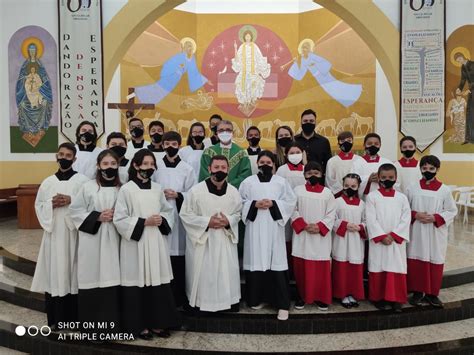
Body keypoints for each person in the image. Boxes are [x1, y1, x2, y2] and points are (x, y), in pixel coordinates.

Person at [113, 149, 180, 339]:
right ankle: (139, 325)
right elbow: (120, 218)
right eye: (145, 164)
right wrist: (143, 222)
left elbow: (168, 211)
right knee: (137, 283)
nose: (149, 168)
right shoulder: (127, 189)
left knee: (157, 282)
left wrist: (162, 219)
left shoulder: (158, 188)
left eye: (152, 165)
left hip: (155, 241)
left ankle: (158, 323)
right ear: (135, 166)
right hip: (136, 242)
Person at [31, 143, 89, 328]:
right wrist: (50, 204)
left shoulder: (83, 181)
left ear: (74, 158)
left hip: (74, 234)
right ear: (56, 156)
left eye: (68, 155)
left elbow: (89, 204)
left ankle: (74, 319)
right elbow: (39, 206)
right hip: (54, 234)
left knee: (73, 272)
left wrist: (72, 200)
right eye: (61, 154)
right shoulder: (48, 182)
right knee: (55, 273)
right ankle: (56, 320)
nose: (64, 157)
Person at [180, 155, 243, 312]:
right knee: (203, 274)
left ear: (228, 170)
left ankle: (227, 302)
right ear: (209, 169)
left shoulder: (233, 192)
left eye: (223, 168)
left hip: (224, 238)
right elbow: (186, 215)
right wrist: (207, 222)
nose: (219, 171)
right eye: (216, 167)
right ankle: (201, 303)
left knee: (226, 272)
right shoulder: (196, 191)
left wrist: (227, 220)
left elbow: (238, 214)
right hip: (204, 241)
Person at [239, 151, 297, 320]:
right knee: (257, 261)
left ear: (273, 164)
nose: (265, 164)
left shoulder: (281, 182)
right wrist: (253, 204)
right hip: (255, 228)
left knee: (276, 262)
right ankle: (257, 299)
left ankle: (282, 305)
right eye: (262, 161)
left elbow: (290, 201)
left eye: (268, 162)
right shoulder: (248, 182)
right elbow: (239, 202)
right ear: (257, 164)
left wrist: (274, 204)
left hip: (273, 228)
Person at [69, 150, 121, 333]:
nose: (109, 167)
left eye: (113, 164)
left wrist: (118, 217)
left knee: (113, 279)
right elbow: (75, 212)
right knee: (92, 278)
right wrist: (97, 216)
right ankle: (91, 327)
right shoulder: (88, 187)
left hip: (116, 241)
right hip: (92, 240)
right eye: (105, 164)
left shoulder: (123, 188)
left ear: (118, 166)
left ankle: (112, 327)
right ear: (98, 166)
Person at [406, 155, 458, 308]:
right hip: (417, 230)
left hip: (435, 232)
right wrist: (415, 214)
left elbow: (451, 210)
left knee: (434, 258)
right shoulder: (412, 187)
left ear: (437, 169)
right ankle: (417, 292)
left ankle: (432, 294)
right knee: (416, 259)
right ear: (420, 169)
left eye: (431, 168)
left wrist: (436, 217)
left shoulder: (444, 190)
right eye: (424, 168)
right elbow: (403, 209)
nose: (427, 171)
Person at [152, 131, 196, 306]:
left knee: (179, 257)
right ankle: (162, 297)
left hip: (179, 217)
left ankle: (179, 296)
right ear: (162, 145)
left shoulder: (187, 168)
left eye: (174, 144)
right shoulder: (155, 167)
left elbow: (192, 194)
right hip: (160, 216)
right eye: (167, 144)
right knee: (162, 254)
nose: (170, 147)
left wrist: (178, 195)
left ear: (179, 145)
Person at [365, 164, 411, 313]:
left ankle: (396, 299)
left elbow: (406, 218)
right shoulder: (372, 197)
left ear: (396, 178)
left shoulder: (402, 197)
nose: (387, 180)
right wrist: (381, 236)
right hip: (380, 241)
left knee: (396, 267)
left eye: (391, 177)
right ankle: (378, 298)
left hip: (396, 241)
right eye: (384, 177)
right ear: (378, 178)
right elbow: (370, 219)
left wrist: (394, 235)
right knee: (378, 266)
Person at [291, 162, 336, 310]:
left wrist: (320, 226)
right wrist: (303, 225)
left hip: (320, 238)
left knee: (320, 270)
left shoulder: (327, 193)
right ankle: (302, 296)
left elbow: (331, 214)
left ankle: (320, 297)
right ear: (304, 175)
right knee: (301, 268)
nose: (313, 176)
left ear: (321, 175)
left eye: (316, 173)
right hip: (302, 236)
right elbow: (292, 209)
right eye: (309, 173)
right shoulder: (297, 190)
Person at [331, 173, 366, 308]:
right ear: (342, 185)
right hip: (342, 240)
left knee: (354, 269)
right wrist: (345, 225)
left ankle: (352, 293)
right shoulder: (337, 201)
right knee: (342, 268)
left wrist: (360, 227)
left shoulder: (362, 204)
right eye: (346, 185)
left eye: (353, 186)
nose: (349, 188)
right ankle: (342, 294)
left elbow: (366, 221)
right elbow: (332, 219)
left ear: (358, 187)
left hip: (356, 240)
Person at [199, 120, 252, 189]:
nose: (225, 132)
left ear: (232, 133)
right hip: (212, 192)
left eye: (228, 130)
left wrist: (228, 186)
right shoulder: (208, 152)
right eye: (221, 130)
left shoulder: (241, 153)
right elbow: (204, 174)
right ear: (217, 133)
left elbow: (245, 176)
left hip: (234, 193)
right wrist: (217, 185)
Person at [352, 133, 393, 199]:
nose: (373, 146)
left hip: (384, 199)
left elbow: (396, 183)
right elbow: (352, 182)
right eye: (369, 143)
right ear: (364, 145)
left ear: (380, 145)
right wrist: (368, 179)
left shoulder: (387, 162)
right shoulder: (357, 163)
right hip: (365, 199)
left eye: (376, 144)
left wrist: (383, 180)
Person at [325, 131, 362, 197]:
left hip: (355, 195)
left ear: (353, 142)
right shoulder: (332, 161)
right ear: (338, 143)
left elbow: (362, 178)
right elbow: (329, 180)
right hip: (339, 196)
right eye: (342, 141)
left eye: (349, 140)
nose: (346, 143)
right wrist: (342, 191)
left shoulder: (359, 160)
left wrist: (353, 189)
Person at [455, 52, 473, 144]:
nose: (459, 62)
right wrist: (459, 88)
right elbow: (463, 79)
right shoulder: (463, 67)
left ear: (462, 57)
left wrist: (469, 89)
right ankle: (469, 139)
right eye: (458, 61)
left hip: (472, 90)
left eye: (459, 60)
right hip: (471, 91)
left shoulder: (473, 64)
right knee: (470, 114)